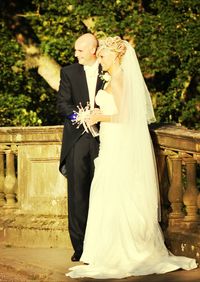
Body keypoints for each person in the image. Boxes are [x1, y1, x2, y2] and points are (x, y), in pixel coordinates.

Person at [66, 36, 197, 278]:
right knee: (107, 191)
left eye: (103, 55)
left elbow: (124, 116)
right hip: (111, 141)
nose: (100, 59)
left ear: (116, 56)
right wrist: (99, 114)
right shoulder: (113, 78)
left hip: (118, 141)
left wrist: (98, 117)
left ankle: (124, 250)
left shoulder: (119, 80)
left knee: (119, 192)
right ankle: (105, 250)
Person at [57, 33, 104, 262]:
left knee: (104, 192)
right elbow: (62, 104)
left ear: (94, 50)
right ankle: (80, 246)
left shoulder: (109, 71)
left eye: (80, 51)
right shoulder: (68, 72)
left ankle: (103, 244)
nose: (76, 55)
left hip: (106, 140)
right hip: (78, 141)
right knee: (78, 194)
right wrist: (81, 116)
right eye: (75, 50)